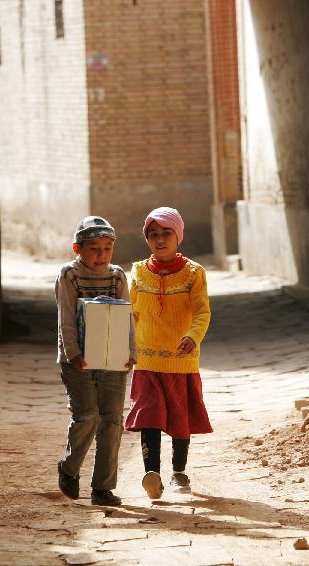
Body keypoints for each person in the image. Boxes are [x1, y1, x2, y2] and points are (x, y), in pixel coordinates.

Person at [125, 207, 213, 499]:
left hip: (180, 359)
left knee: (179, 417)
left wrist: (192, 336)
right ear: (146, 239)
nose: (159, 240)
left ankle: (179, 471)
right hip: (147, 360)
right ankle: (152, 474)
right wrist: (125, 348)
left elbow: (202, 312)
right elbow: (128, 314)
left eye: (166, 234)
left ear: (179, 236)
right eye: (153, 235)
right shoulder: (137, 272)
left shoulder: (193, 274)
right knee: (149, 415)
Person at [55, 216, 135, 506]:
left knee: (113, 420)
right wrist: (74, 354)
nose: (101, 255)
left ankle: (102, 487)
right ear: (77, 248)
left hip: (112, 359)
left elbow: (126, 317)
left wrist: (130, 352)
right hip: (76, 360)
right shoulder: (69, 275)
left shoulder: (117, 276)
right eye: (93, 248)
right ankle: (69, 467)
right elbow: (66, 319)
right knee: (87, 415)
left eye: (107, 248)